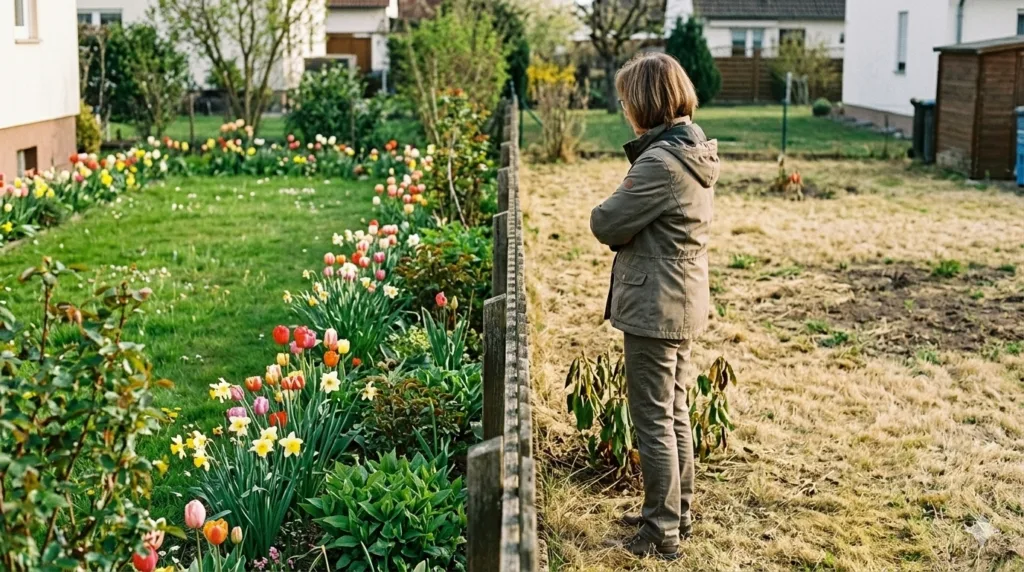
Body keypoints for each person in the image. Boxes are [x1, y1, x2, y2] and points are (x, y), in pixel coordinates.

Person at [590, 51, 719, 559]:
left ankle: (660, 531)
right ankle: (677, 513)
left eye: (626, 101)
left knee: (653, 417)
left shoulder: (659, 164)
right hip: (681, 297)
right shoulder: (693, 150)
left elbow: (606, 222)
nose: (624, 110)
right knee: (674, 410)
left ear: (645, 102)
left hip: (656, 303)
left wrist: (607, 205)